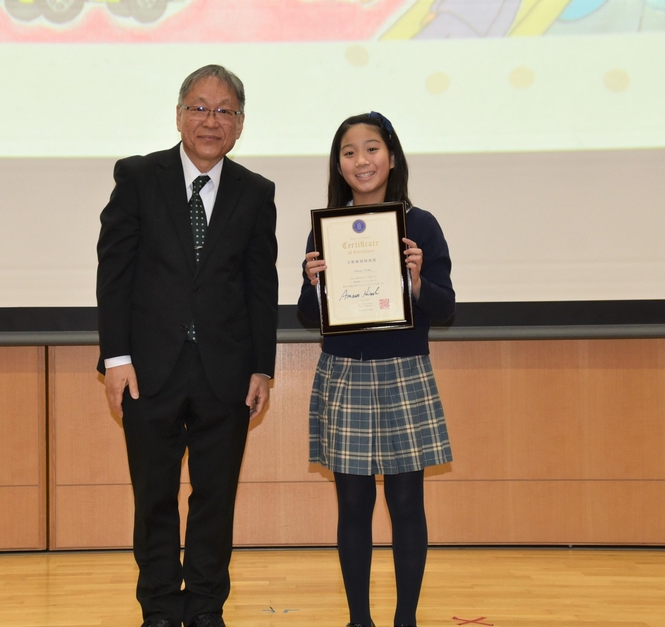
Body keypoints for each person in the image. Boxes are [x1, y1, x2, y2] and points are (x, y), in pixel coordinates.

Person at [96, 64, 278, 627]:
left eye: (225, 111)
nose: (210, 120)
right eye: (199, 107)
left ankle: (204, 608)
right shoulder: (138, 177)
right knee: (153, 498)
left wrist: (262, 369)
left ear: (240, 125)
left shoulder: (255, 191)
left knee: (214, 500)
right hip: (147, 371)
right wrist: (116, 358)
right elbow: (115, 272)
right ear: (179, 115)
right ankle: (157, 607)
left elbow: (259, 284)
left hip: (225, 374)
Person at [297, 112, 455, 627]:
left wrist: (414, 283)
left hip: (405, 371)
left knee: (408, 503)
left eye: (371, 149)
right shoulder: (325, 229)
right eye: (348, 152)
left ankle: (405, 620)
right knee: (354, 505)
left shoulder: (421, 225)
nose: (360, 160)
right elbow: (307, 315)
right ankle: (359, 621)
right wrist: (315, 283)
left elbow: (446, 307)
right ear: (338, 165)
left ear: (391, 157)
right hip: (345, 373)